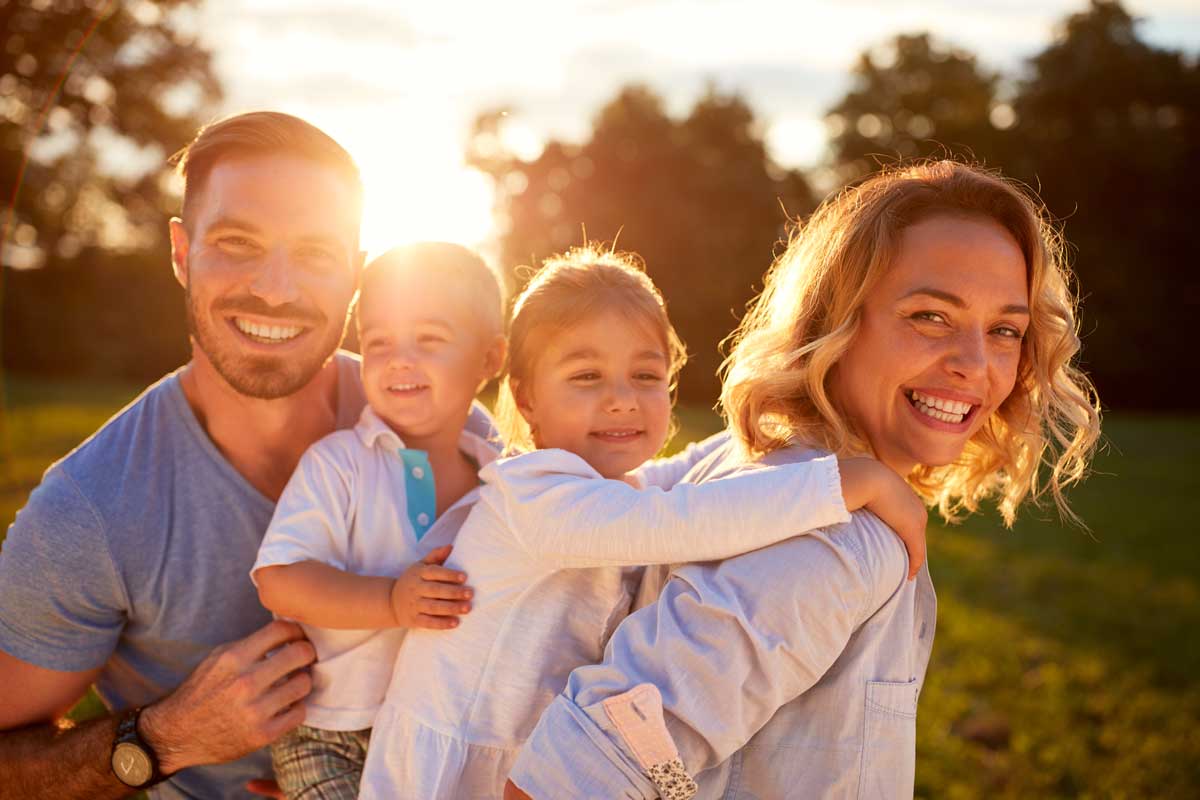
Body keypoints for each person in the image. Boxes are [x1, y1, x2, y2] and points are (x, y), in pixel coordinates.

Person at [504, 161, 1102, 799]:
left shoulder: (735, 457)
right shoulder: (834, 541)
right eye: (930, 316)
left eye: (1005, 330)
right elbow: (579, 774)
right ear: (834, 323)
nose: (974, 364)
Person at [0, 112, 492, 799]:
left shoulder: (441, 418)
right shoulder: (90, 511)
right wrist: (166, 736)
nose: (275, 288)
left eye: (317, 253)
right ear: (181, 252)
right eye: (238, 242)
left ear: (355, 271)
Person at [356, 246, 929, 799]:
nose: (622, 400)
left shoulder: (611, 487)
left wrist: (782, 412)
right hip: (448, 765)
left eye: (647, 377)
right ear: (526, 399)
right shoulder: (534, 494)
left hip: (516, 754)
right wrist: (845, 483)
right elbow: (682, 519)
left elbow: (691, 471)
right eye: (586, 377)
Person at [250, 243, 507, 799]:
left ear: (490, 359)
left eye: (429, 340)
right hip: (333, 730)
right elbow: (280, 580)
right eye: (378, 342)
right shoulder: (340, 463)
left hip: (444, 734)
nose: (399, 360)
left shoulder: (505, 484)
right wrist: (392, 601)